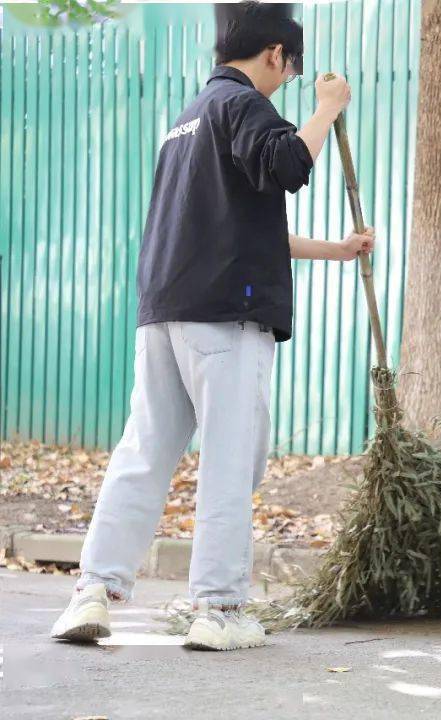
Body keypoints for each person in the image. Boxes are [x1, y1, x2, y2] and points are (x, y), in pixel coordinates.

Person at [50, 1, 374, 651]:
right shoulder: (244, 104)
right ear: (275, 54)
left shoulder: (189, 119)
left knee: (146, 452)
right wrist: (328, 108)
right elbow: (289, 165)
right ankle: (220, 607)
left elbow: (239, 224)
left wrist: (336, 251)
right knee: (231, 462)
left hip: (166, 312)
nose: (287, 79)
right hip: (228, 316)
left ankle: (93, 590)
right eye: (289, 68)